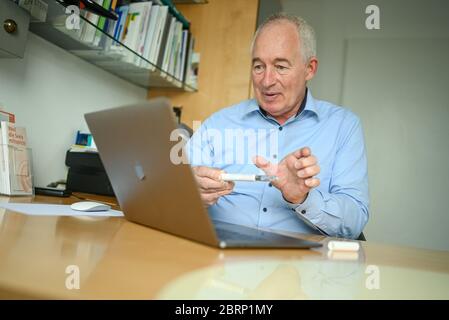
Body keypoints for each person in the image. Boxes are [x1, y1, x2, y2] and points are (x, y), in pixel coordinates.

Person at [186, 13, 369, 239]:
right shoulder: (218, 123)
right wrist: (190, 194)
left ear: (309, 69)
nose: (266, 81)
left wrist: (302, 198)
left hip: (301, 268)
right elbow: (169, 197)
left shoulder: (343, 126)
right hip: (217, 261)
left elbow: (354, 220)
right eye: (258, 67)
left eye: (281, 67)